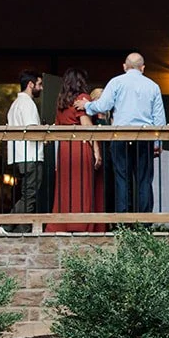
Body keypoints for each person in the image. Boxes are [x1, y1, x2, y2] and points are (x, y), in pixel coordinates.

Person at [85, 52, 166, 216]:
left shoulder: (116, 82)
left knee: (122, 179)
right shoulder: (153, 86)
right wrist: (158, 143)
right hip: (145, 138)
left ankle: (123, 221)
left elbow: (103, 106)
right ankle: (144, 221)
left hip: (120, 137)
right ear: (143, 68)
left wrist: (87, 106)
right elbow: (159, 119)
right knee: (144, 180)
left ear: (124, 66)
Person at [48, 68, 106, 232]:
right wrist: (96, 150)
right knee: (82, 186)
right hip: (80, 146)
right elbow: (86, 126)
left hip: (65, 148)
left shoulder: (61, 101)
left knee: (66, 187)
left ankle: (63, 224)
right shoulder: (82, 98)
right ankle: (81, 224)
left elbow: (57, 126)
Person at [6, 70, 45, 225]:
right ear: (30, 84)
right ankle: (7, 226)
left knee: (27, 194)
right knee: (30, 195)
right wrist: (46, 133)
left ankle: (22, 229)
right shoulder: (27, 103)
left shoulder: (15, 104)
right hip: (30, 155)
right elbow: (32, 129)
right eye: (39, 84)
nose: (41, 88)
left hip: (20, 155)